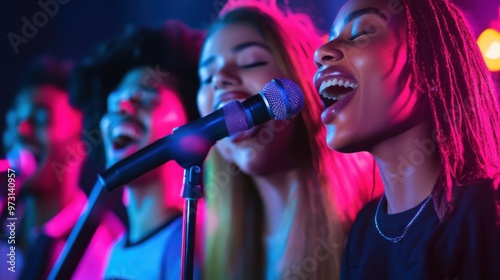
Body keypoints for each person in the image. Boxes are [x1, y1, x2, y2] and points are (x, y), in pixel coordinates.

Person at [314, 0, 500, 278]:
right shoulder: (364, 231)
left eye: (362, 32)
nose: (321, 52)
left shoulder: (484, 210)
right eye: (331, 39)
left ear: (432, 65)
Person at [197, 1, 382, 279]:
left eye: (251, 61)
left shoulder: (370, 228)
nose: (220, 80)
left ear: (300, 81)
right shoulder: (203, 247)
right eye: (206, 76)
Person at [70, 20, 204, 280]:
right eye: (114, 103)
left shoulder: (198, 241)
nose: (124, 110)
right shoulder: (114, 253)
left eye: (143, 99)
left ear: (191, 120)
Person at [0, 55, 124, 280]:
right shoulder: (6, 216)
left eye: (41, 118)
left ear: (82, 142)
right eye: (16, 118)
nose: (21, 130)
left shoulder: (103, 249)